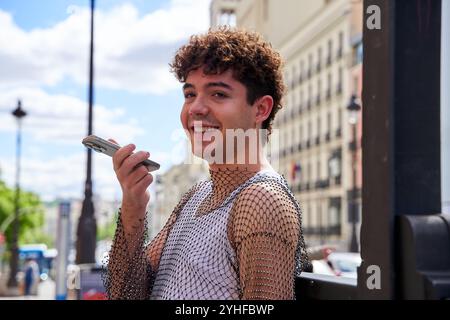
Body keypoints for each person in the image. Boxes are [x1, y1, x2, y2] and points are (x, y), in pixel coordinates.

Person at [103, 27, 310, 300]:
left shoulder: (261, 199)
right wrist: (133, 203)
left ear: (261, 109)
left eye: (218, 94)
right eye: (190, 94)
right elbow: (126, 294)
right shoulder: (197, 196)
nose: (195, 109)